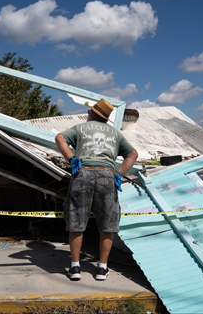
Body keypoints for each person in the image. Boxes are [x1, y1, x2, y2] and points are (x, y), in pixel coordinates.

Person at [55, 98, 138, 281]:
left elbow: (60, 138)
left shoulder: (80, 128)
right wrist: (119, 172)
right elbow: (132, 154)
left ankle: (75, 268)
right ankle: (101, 268)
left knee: (77, 221)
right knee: (107, 224)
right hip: (106, 175)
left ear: (92, 113)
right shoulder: (116, 134)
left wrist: (71, 158)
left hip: (82, 173)